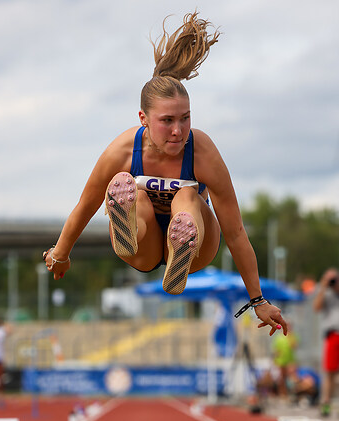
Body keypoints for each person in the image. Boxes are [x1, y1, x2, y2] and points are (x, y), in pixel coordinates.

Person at [43, 12, 287, 337]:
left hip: (197, 246)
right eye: (168, 121)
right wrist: (60, 254)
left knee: (187, 195)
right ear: (143, 118)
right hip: (143, 246)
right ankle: (127, 224)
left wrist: (258, 299)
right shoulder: (123, 150)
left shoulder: (202, 152)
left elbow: (236, 231)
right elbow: (85, 206)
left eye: (185, 118)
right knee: (131, 191)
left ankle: (180, 248)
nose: (179, 131)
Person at [313, 268, 339, 417]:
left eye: (334, 278)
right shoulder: (325, 293)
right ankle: (326, 403)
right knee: (330, 371)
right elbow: (316, 307)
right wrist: (324, 287)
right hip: (333, 334)